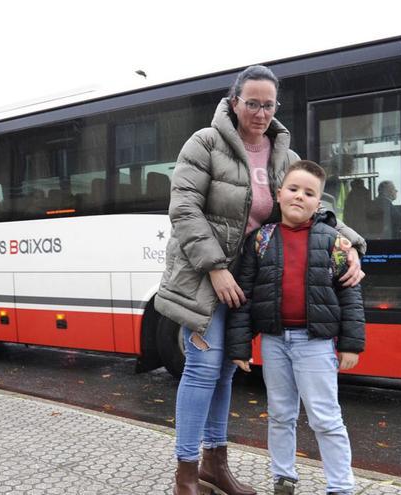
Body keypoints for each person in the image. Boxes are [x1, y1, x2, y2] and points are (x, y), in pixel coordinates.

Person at [155, 65, 367, 495]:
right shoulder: (205, 143)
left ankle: (215, 464)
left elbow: (311, 207)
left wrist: (351, 246)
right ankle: (185, 474)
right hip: (202, 274)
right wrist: (215, 268)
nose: (259, 112)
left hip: (249, 278)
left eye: (267, 104)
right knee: (202, 369)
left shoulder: (282, 156)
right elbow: (184, 210)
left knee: (226, 373)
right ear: (234, 102)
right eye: (251, 103)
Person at [227, 160, 365, 495]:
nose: (299, 197)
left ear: (320, 202)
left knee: (325, 418)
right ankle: (284, 477)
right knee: (280, 414)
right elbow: (244, 295)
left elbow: (350, 294)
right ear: (278, 194)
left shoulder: (334, 242)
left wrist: (351, 344)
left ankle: (341, 487)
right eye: (293, 189)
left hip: (314, 344)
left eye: (309, 193)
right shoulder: (261, 239)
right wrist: (239, 346)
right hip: (274, 343)